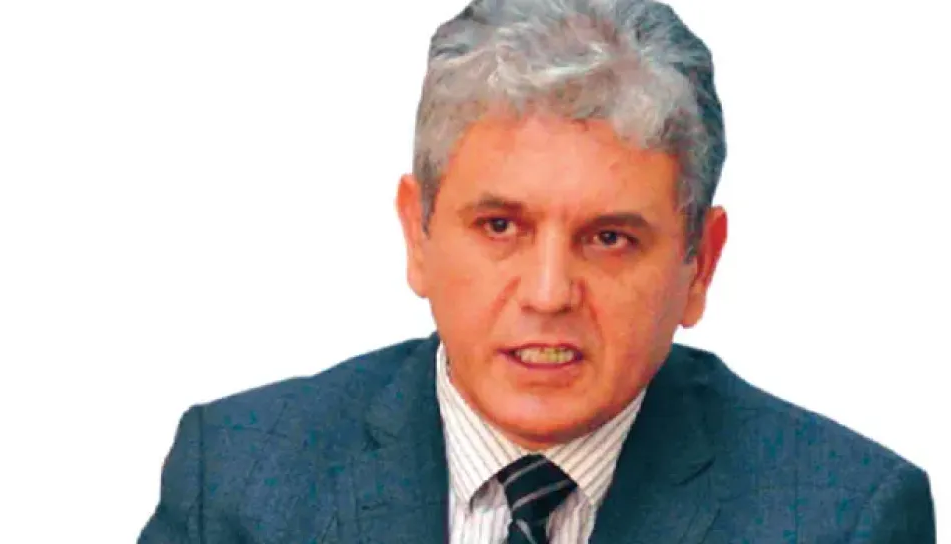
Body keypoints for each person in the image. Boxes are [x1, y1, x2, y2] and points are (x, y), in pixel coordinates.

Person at [138, 0, 936, 542]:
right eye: (500, 227)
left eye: (610, 239)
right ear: (418, 236)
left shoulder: (843, 517)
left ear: (700, 264)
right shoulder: (237, 484)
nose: (550, 293)